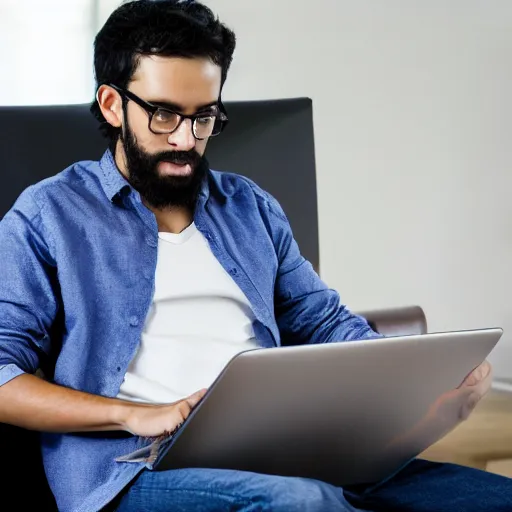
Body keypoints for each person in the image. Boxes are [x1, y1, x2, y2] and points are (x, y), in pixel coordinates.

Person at [0, 1, 508, 511]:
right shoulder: (49, 215)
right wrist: (135, 414)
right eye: (163, 114)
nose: (185, 139)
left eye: (204, 117)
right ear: (113, 105)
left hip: (288, 451)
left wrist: (422, 385)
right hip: (137, 466)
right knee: (303, 503)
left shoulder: (250, 207)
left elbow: (325, 322)